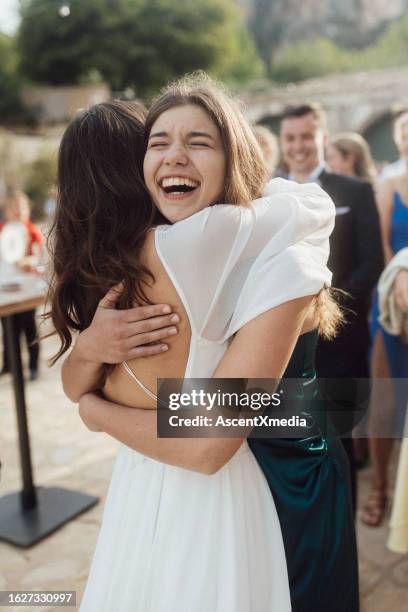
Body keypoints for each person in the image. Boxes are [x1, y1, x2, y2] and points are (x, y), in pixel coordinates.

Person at [49, 79, 358, 611]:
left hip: (287, 474)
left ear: (234, 154)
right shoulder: (154, 258)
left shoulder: (281, 254)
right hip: (195, 473)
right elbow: (76, 383)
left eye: (198, 142)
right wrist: (91, 346)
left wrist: (95, 411)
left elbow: (206, 443)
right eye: (158, 142)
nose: (175, 157)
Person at [280, 103, 384, 514]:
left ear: (322, 137)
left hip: (339, 343)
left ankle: (343, 550)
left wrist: (321, 310)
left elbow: (370, 263)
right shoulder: (265, 192)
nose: (298, 146)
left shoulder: (354, 192)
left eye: (306, 136)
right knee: (288, 447)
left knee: (338, 450)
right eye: (290, 138)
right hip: (281, 350)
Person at [362, 112, 408, 527]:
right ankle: (379, 486)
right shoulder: (388, 186)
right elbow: (382, 249)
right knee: (385, 402)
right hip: (394, 302)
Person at [0, 191, 43, 380]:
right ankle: (10, 365)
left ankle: (33, 366)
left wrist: (28, 261)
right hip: (6, 288)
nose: (16, 211)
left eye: (20, 207)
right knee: (9, 330)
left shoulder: (31, 231)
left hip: (26, 289)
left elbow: (39, 257)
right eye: (12, 208)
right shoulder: (3, 230)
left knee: (29, 328)